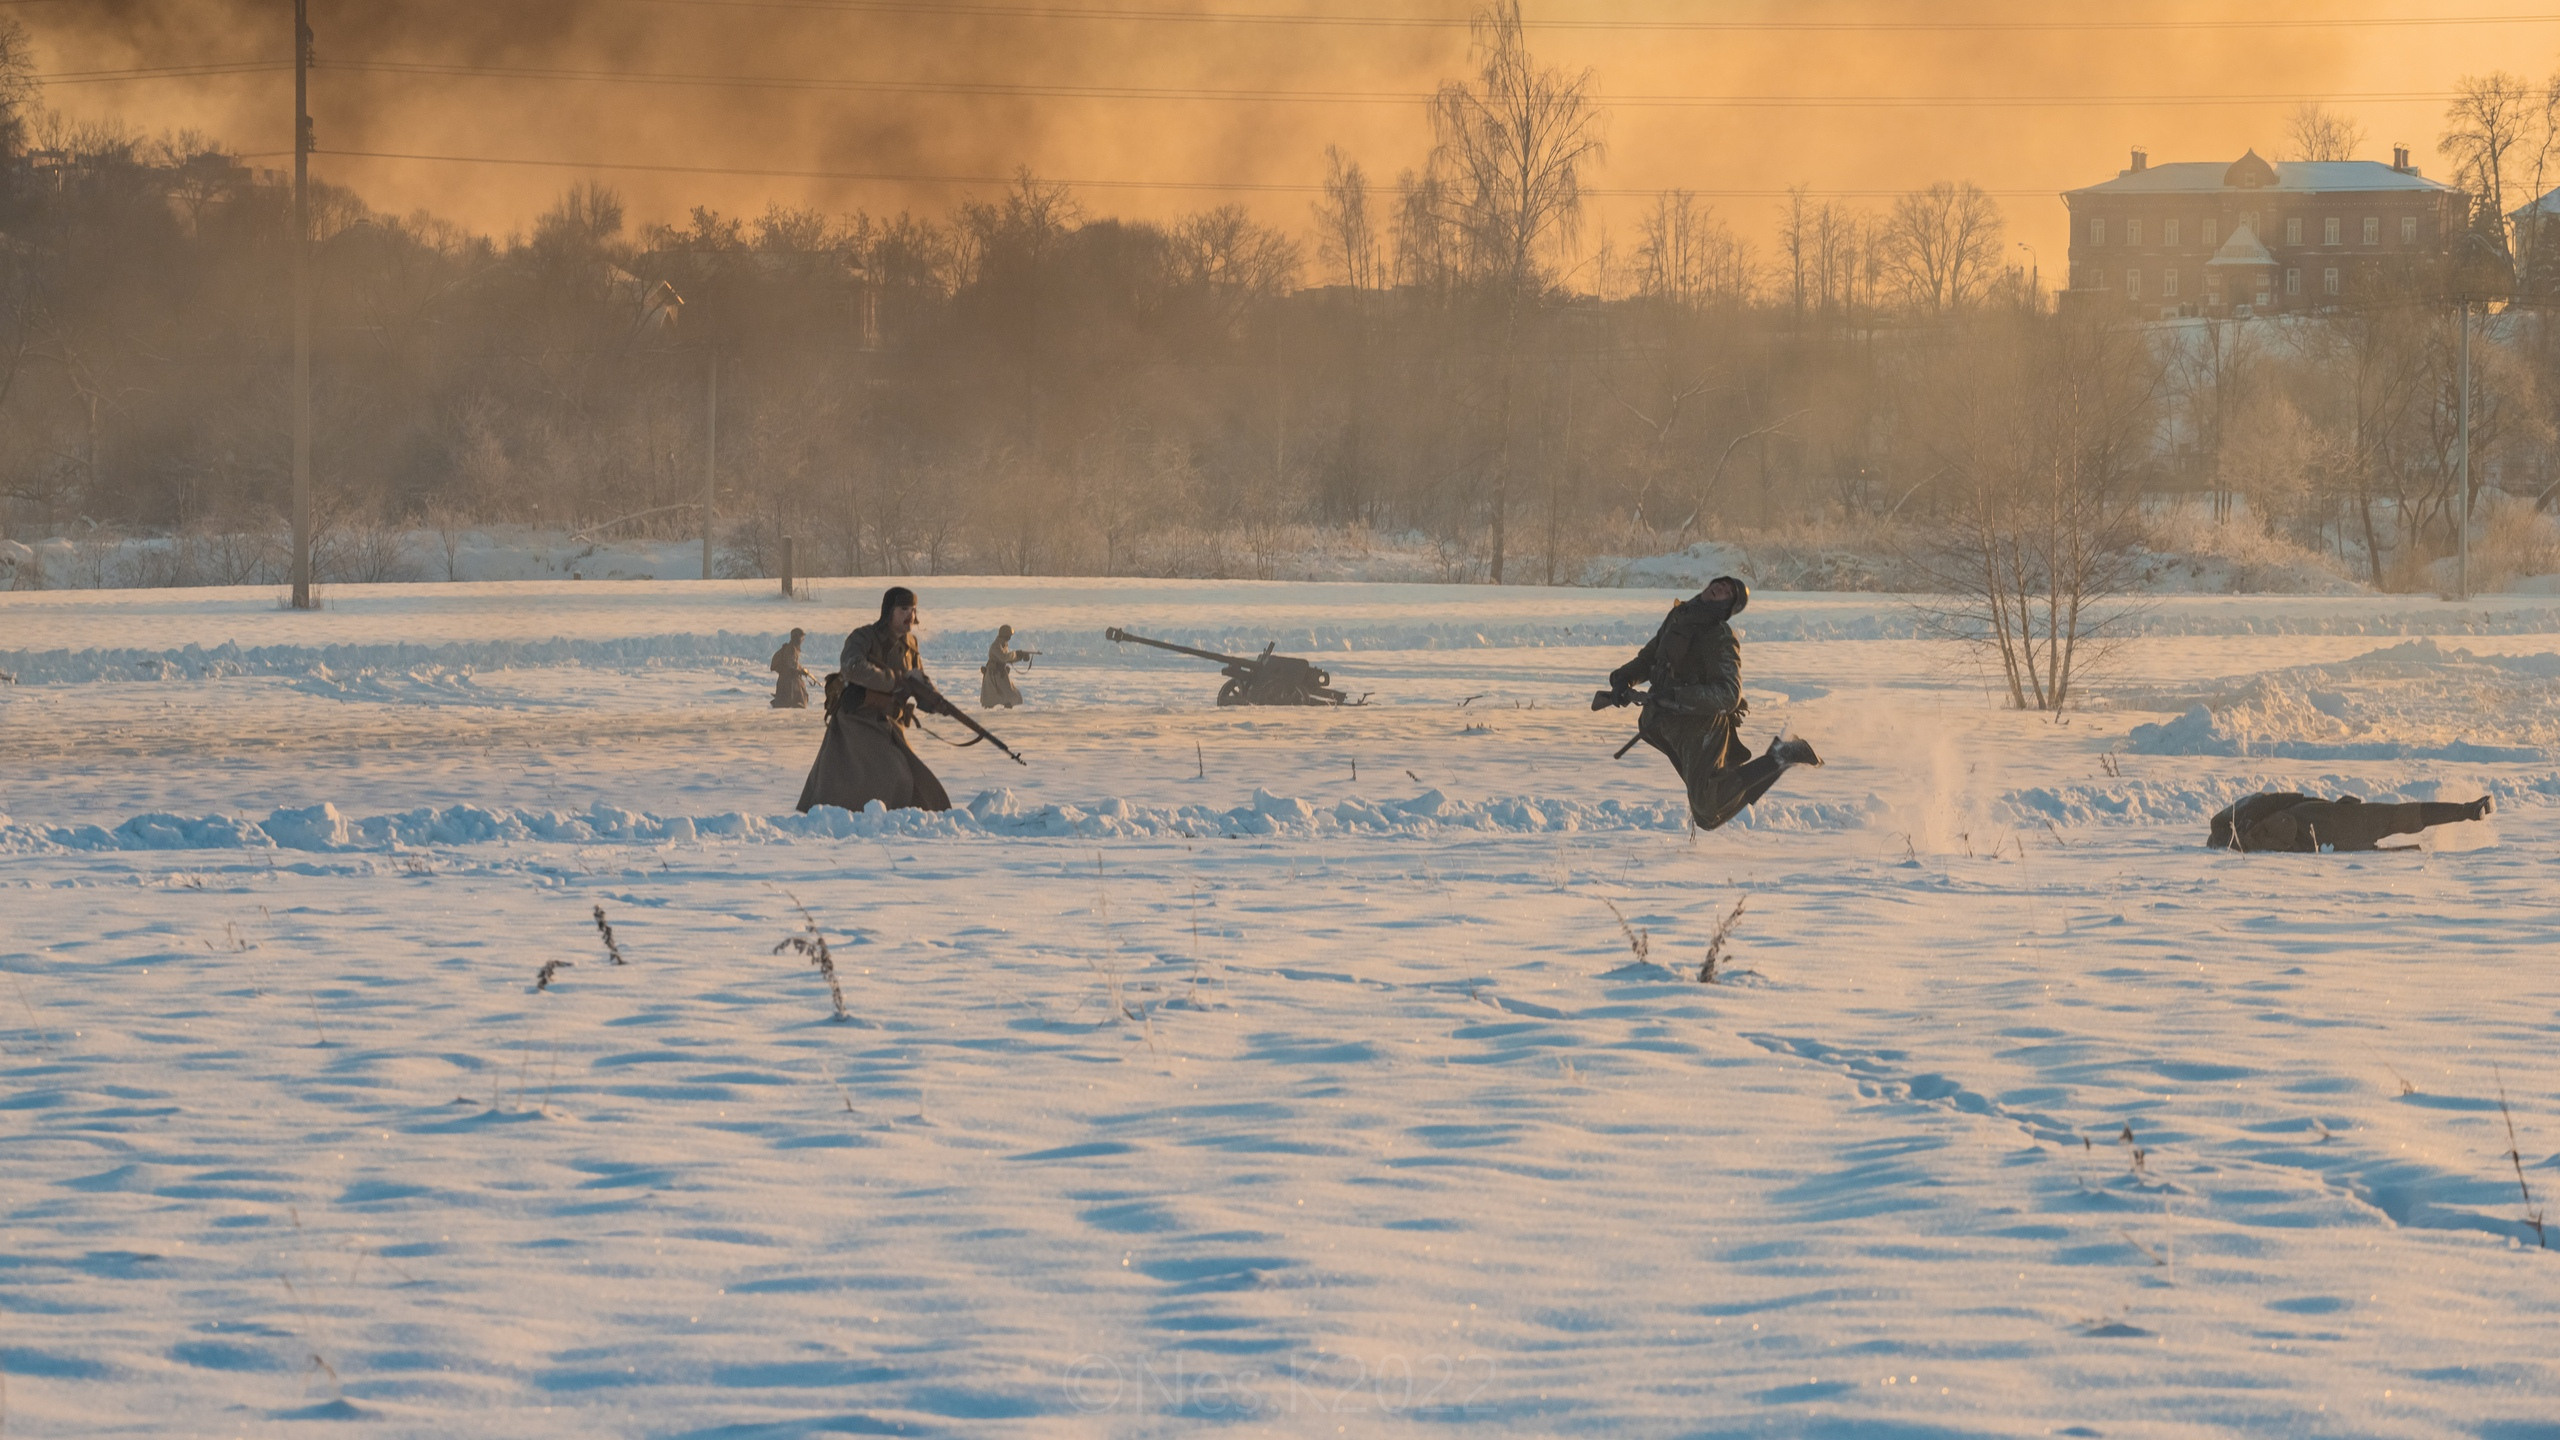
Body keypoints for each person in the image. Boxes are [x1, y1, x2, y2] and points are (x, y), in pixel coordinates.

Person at [1602, 575, 1821, 832]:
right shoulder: (1679, 616)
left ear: (1728, 608)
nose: (1720, 587)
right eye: (1719, 583)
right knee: (1707, 809)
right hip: (1664, 722)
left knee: (1707, 808)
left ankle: (1781, 756)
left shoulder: (1720, 636)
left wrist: (1677, 697)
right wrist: (1623, 680)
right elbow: (1651, 657)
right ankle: (1776, 759)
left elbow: (1729, 694)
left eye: (1728, 591)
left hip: (1700, 726)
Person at [796, 587, 953, 814]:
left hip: (888, 722)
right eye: (904, 609)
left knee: (910, 777)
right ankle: (859, 818)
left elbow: (918, 680)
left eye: (913, 610)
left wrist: (934, 700)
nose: (911, 616)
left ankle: (904, 819)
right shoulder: (863, 637)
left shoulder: (911, 644)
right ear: (889, 611)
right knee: (890, 772)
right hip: (857, 720)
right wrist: (893, 681)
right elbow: (852, 668)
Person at [2208, 791, 2493, 852]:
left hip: (2325, 823)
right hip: (2326, 822)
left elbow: (2280, 810)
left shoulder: (2241, 826)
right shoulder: (2236, 825)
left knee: (2399, 816)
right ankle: (2467, 810)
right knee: (2399, 816)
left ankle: (2467, 810)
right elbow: (2281, 800)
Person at [981, 624, 1033, 709]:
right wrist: (1016, 654)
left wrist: (1021, 657)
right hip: (993, 674)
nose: (1010, 638)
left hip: (1000, 674)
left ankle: (1006, 711)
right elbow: (1004, 657)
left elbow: (1007, 659)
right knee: (993, 697)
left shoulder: (1003, 644)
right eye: (1009, 636)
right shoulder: (996, 646)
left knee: (1010, 695)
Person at [769, 627, 813, 709]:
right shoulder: (791, 649)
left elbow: (793, 665)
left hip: (788, 680)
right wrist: (801, 671)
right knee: (796, 703)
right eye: (801, 637)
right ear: (795, 637)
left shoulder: (793, 648)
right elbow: (791, 666)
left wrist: (802, 670)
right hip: (789, 682)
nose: (802, 640)